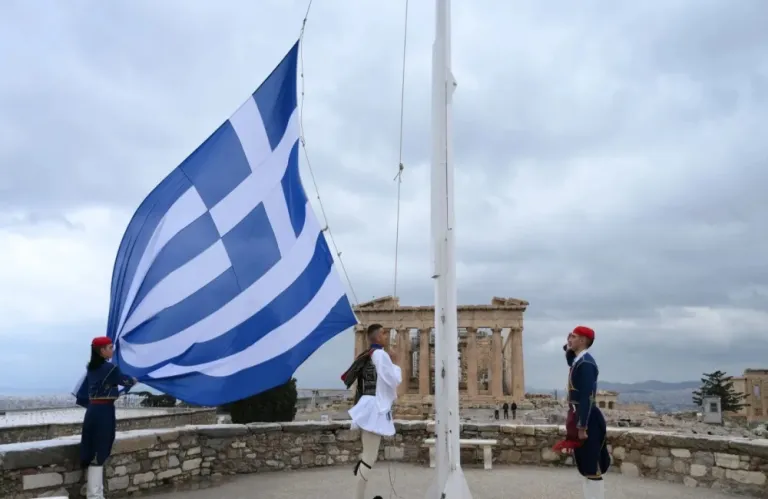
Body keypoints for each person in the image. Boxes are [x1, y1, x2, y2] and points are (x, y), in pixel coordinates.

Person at [341, 324, 402, 499]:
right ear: (377, 337)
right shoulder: (380, 355)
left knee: (367, 456)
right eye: (384, 333)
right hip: (374, 408)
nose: (386, 335)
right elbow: (393, 379)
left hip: (368, 405)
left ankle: (359, 494)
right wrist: (395, 363)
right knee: (369, 458)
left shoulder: (369, 355)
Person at [553, 326, 610, 499]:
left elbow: (587, 396)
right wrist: (569, 348)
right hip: (580, 416)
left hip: (588, 419)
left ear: (583, 340)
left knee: (592, 466)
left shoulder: (586, 364)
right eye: (569, 336)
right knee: (585, 465)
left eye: (573, 336)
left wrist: (582, 427)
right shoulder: (580, 361)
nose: (569, 339)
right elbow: (570, 360)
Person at [79, 336, 137, 499]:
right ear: (101, 350)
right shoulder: (110, 368)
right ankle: (95, 495)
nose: (112, 350)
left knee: (92, 447)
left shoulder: (91, 368)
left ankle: (94, 492)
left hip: (92, 411)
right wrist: (134, 379)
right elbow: (124, 380)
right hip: (104, 411)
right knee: (101, 448)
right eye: (110, 347)